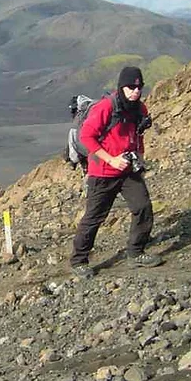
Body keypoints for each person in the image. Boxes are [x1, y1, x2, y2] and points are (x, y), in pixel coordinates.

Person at [70, 65, 162, 278]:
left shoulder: (140, 109)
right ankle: (78, 261)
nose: (135, 91)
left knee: (143, 207)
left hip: (128, 170)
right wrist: (111, 159)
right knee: (94, 217)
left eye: (139, 87)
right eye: (131, 87)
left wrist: (139, 155)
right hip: (102, 172)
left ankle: (136, 252)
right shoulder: (105, 107)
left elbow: (138, 135)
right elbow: (86, 137)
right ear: (122, 87)